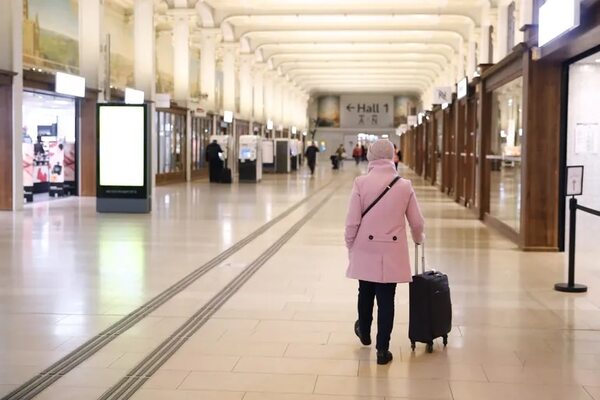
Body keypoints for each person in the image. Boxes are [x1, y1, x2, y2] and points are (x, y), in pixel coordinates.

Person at [344, 139, 425, 365]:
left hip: (366, 248)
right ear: (392, 156)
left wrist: (350, 244)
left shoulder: (361, 183)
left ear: (370, 156)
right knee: (387, 298)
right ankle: (382, 350)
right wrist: (419, 240)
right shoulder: (404, 185)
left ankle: (364, 331)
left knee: (365, 291)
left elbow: (352, 221)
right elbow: (417, 223)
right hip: (392, 250)